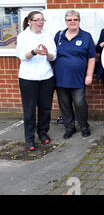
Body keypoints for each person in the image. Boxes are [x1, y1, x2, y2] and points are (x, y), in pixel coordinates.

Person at [16, 11, 57, 151]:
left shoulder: (48, 36)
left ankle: (43, 132)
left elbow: (53, 56)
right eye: (37, 20)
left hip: (46, 77)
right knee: (29, 110)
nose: (40, 22)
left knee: (45, 108)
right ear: (30, 21)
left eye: (42, 20)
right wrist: (34, 52)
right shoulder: (23, 36)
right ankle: (29, 139)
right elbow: (22, 56)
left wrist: (47, 53)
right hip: (28, 78)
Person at [54, 10, 96, 139]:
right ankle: (69, 127)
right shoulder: (59, 35)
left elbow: (92, 57)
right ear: (66, 21)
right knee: (65, 104)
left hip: (78, 78)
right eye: (69, 19)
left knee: (79, 102)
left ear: (79, 21)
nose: (72, 21)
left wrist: (89, 75)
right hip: (61, 77)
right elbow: (53, 54)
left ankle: (84, 126)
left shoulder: (86, 36)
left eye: (75, 19)